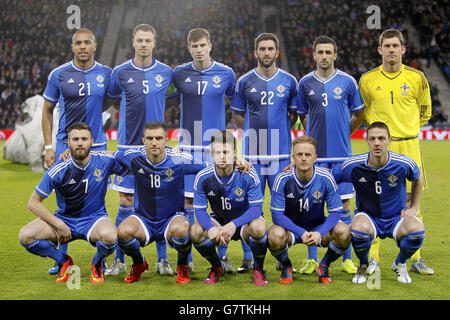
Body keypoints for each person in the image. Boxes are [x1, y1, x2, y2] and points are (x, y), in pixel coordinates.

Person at [113, 122, 251, 284]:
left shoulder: (179, 159)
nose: (154, 142)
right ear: (143, 140)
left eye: (159, 138)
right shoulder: (133, 156)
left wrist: (236, 160)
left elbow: (211, 166)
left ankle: (182, 265)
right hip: (143, 217)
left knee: (183, 231)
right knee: (122, 232)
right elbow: (106, 156)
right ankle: (139, 263)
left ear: (166, 140)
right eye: (150, 138)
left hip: (173, 217)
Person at [173, 28, 251, 273]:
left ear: (210, 46)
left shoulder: (226, 74)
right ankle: (186, 257)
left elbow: (235, 105)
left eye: (203, 45)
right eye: (194, 46)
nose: (199, 50)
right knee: (187, 202)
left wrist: (235, 148)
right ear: (189, 48)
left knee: (222, 201)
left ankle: (225, 254)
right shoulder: (178, 74)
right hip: (187, 146)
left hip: (216, 148)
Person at [356, 29, 433, 275]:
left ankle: (414, 258)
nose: (391, 50)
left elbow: (425, 112)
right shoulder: (367, 80)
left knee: (412, 202)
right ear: (380, 50)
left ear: (403, 49)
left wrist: (406, 130)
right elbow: (364, 112)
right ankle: (373, 259)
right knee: (373, 202)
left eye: (395, 46)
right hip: (380, 147)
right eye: (386, 46)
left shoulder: (417, 78)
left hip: (409, 146)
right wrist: (384, 138)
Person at [18, 122, 128, 284]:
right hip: (64, 220)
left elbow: (130, 161)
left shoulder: (104, 161)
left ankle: (97, 263)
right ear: (68, 143)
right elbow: (33, 203)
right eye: (75, 139)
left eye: (84, 139)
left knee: (111, 237)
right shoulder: (59, 168)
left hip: (94, 219)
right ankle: (63, 260)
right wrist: (59, 224)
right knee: (25, 236)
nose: (80, 143)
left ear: (92, 142)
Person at [41, 28, 112, 275]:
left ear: (95, 45)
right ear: (72, 46)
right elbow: (47, 110)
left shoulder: (106, 74)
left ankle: (101, 254)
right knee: (64, 202)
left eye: (87, 43)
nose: (83, 47)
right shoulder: (58, 74)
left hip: (98, 145)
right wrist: (49, 146)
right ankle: (61, 258)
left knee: (98, 198)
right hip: (64, 144)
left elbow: (110, 99)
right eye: (78, 43)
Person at [106, 24, 175, 276]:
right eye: (139, 40)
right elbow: (114, 98)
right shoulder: (120, 72)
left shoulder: (166, 72)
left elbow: (169, 97)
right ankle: (120, 259)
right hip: (127, 148)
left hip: (155, 147)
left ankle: (162, 260)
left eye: (148, 40)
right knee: (125, 200)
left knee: (158, 202)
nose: (144, 44)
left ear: (154, 43)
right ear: (132, 42)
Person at [296, 35, 364, 275]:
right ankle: (313, 259)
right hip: (316, 158)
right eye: (320, 52)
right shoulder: (304, 83)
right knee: (313, 206)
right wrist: (312, 133)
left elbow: (360, 113)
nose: (324, 56)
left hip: (342, 156)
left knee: (344, 205)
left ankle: (346, 258)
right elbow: (302, 114)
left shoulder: (347, 82)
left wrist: (346, 131)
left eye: (328, 52)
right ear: (313, 55)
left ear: (335, 55)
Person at [231, 33, 298, 269]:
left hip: (280, 157)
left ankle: (282, 254)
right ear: (255, 53)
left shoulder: (290, 81)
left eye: (270, 49)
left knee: (284, 207)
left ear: (277, 52)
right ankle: (249, 258)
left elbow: (293, 113)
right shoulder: (245, 81)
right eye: (262, 49)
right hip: (252, 158)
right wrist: (251, 135)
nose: (266, 53)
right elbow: (238, 114)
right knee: (249, 207)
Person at [333, 122, 426, 284]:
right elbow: (328, 177)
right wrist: (299, 168)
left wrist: (414, 207)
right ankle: (363, 265)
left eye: (381, 138)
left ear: (389, 140)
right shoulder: (353, 165)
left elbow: (418, 177)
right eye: (373, 138)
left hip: (397, 216)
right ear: (367, 141)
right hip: (368, 217)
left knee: (417, 231)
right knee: (358, 230)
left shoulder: (403, 163)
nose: (377, 143)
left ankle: (400, 263)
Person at [269, 136, 350, 284]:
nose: (303, 158)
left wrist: (320, 232)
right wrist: (301, 232)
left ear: (315, 158)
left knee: (344, 231)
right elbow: (277, 216)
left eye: (308, 155)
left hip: (317, 227)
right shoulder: (282, 179)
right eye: (299, 154)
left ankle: (324, 265)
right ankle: (286, 265)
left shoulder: (326, 178)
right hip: (291, 229)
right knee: (274, 234)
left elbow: (335, 213)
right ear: (293, 157)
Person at [191, 130, 268, 285]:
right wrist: (210, 227)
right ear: (212, 153)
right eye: (218, 152)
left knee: (259, 227)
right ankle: (217, 267)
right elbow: (199, 210)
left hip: (246, 221)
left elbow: (256, 209)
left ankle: (258, 269)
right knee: (196, 231)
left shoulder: (247, 173)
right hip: (220, 219)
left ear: (234, 152)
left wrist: (234, 225)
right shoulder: (203, 177)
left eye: (226, 152)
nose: (222, 156)